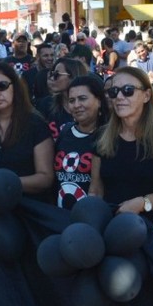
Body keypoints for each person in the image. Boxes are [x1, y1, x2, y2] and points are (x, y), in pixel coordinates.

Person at [89, 66, 153, 257]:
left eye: (128, 91)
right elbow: (96, 189)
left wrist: (142, 203)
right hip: (112, 233)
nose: (119, 97)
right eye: (114, 91)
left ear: (147, 95)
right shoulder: (102, 136)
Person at [0, 62, 54, 199]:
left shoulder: (35, 125)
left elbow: (45, 178)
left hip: (25, 206)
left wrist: (5, 183)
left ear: (15, 87)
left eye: (2, 86)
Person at [54, 75, 108, 209]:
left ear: (99, 101)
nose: (76, 105)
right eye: (72, 100)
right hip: (59, 217)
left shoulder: (110, 136)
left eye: (82, 99)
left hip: (92, 217)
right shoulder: (65, 132)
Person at [37, 57, 86, 141]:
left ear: (72, 76)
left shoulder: (88, 107)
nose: (52, 78)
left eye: (56, 75)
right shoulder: (46, 104)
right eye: (52, 74)